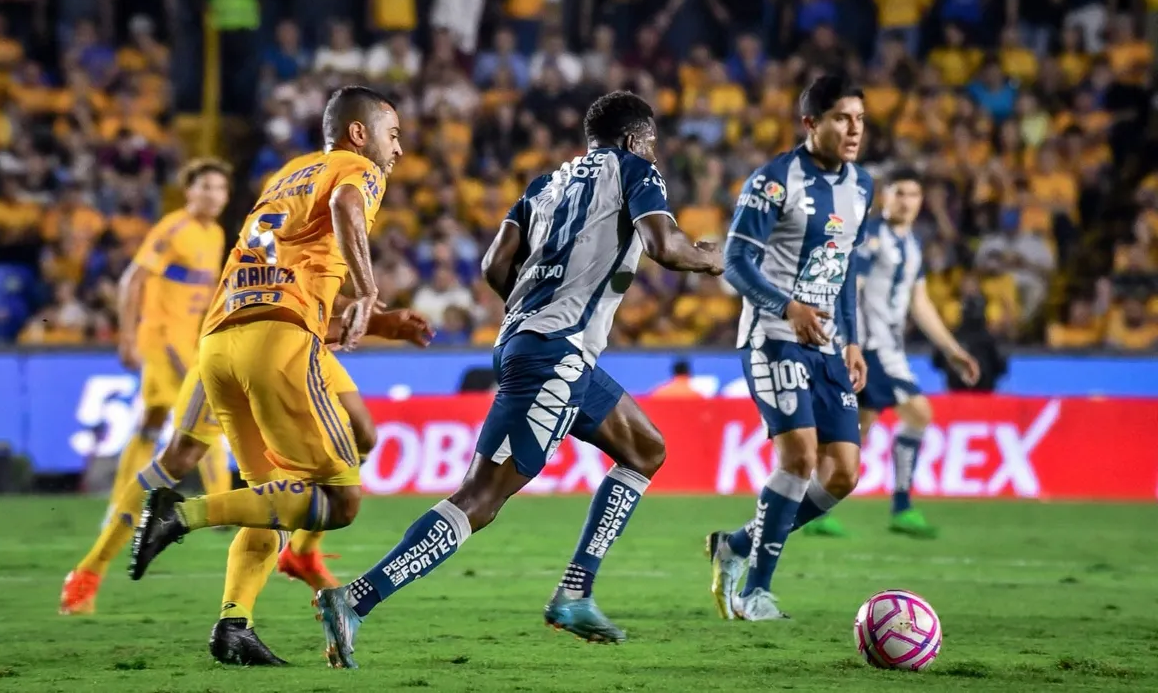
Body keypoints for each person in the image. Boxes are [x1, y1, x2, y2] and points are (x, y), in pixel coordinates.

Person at [311, 90, 724, 668]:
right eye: (650, 142)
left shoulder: (545, 185)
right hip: (553, 354)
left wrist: (533, 310)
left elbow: (493, 266)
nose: (652, 152)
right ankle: (354, 599)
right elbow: (665, 247)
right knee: (479, 500)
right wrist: (712, 258)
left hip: (555, 350)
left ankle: (575, 592)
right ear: (635, 139)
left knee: (646, 449)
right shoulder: (637, 170)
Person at [128, 86, 431, 664]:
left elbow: (288, 274)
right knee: (340, 502)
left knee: (275, 495)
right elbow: (346, 210)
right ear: (359, 133)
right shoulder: (356, 169)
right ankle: (181, 513)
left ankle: (232, 625)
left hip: (221, 343)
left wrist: (381, 323)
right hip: (280, 344)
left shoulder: (287, 177)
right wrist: (369, 291)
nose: (399, 147)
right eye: (393, 134)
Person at [706, 75, 871, 622]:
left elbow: (841, 270)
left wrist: (853, 342)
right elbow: (736, 263)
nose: (853, 130)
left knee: (844, 472)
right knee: (799, 458)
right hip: (773, 337)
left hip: (827, 347)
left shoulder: (862, 188)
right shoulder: (773, 182)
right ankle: (755, 591)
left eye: (859, 120)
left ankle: (734, 543)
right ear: (811, 124)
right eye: (842, 119)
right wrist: (788, 308)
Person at [59, 159, 229, 616]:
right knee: (200, 423)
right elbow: (134, 277)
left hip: (188, 339)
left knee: (154, 422)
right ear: (188, 192)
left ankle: (121, 502)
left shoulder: (214, 236)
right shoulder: (174, 228)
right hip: (163, 340)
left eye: (220, 188)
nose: (213, 194)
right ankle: (218, 508)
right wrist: (127, 334)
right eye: (205, 186)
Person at [801, 168, 979, 540]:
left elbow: (921, 303)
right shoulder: (872, 239)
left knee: (858, 432)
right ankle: (900, 506)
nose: (906, 201)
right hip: (869, 348)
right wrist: (845, 340)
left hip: (889, 350)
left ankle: (814, 507)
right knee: (917, 413)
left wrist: (953, 350)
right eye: (899, 193)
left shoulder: (911, 244)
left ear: (921, 201)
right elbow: (851, 286)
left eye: (913, 195)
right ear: (886, 197)